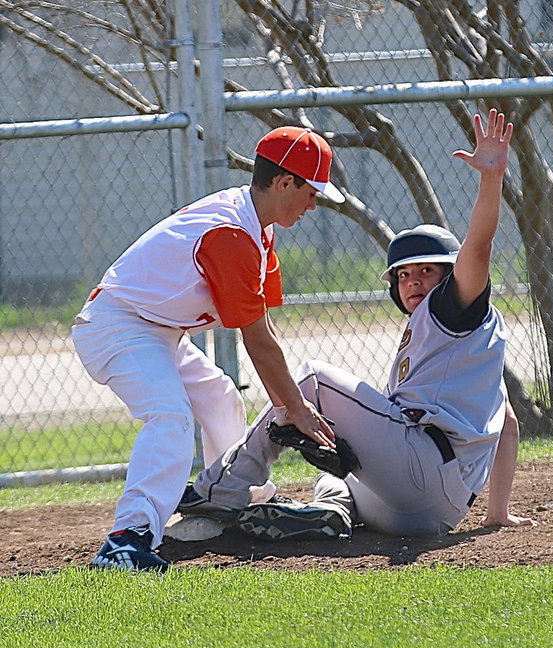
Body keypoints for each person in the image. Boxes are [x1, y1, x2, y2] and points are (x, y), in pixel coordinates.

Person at [178, 108, 534, 545]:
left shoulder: (455, 310)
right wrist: (498, 512)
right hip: (424, 511)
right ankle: (332, 512)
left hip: (423, 469)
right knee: (337, 469)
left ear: (451, 275)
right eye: (404, 275)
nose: (413, 281)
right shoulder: (464, 349)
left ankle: (218, 491)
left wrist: (491, 179)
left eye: (427, 271)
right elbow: (507, 422)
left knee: (310, 380)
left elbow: (477, 248)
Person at [72, 126, 344, 571]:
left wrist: (286, 405)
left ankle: (236, 499)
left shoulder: (257, 228)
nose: (313, 205)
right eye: (311, 193)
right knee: (170, 415)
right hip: (119, 326)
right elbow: (257, 341)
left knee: (220, 396)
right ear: (284, 183)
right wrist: (294, 408)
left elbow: (264, 328)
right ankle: (127, 539)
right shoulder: (232, 234)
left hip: (157, 329)